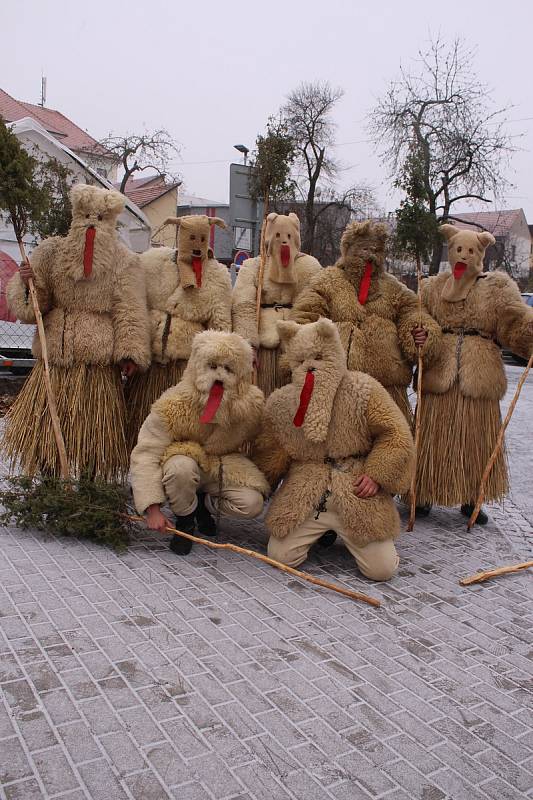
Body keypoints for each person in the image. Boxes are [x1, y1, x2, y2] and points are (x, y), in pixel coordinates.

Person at [3, 184, 150, 480]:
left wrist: (130, 352)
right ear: (74, 215)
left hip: (97, 369)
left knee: (94, 435)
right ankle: (49, 482)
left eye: (100, 218)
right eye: (85, 215)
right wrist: (27, 282)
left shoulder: (124, 261)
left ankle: (90, 484)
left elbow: (130, 310)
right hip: (54, 363)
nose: (91, 224)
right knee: (45, 428)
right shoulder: (51, 253)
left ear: (111, 221)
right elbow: (34, 307)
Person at [252, 318, 414, 579]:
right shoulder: (281, 403)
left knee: (381, 571)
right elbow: (273, 452)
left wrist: (377, 474)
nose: (310, 367)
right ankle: (319, 528)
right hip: (308, 489)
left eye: (318, 357)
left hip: (354, 487)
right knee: (281, 557)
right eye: (301, 360)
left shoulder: (364, 389)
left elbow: (395, 434)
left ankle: (348, 532)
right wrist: (257, 488)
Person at [415, 224, 533, 524]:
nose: (463, 256)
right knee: (433, 437)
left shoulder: (497, 287)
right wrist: (419, 336)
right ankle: (423, 492)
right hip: (439, 372)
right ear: (450, 252)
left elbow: (513, 322)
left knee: (475, 440)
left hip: (479, 374)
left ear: (479, 254)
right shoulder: (432, 288)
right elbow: (418, 320)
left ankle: (472, 497)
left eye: (470, 251)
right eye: (458, 250)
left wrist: (528, 332)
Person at [130, 330, 269, 554]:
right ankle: (186, 519)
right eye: (213, 367)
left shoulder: (250, 407)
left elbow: (263, 441)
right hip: (184, 463)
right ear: (198, 366)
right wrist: (152, 508)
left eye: (229, 369)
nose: (220, 376)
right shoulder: (174, 403)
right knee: (180, 469)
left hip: (219, 466)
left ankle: (202, 505)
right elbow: (146, 452)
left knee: (251, 503)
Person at [290, 219, 440, 424]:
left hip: (387, 386)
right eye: (364, 248)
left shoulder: (393, 288)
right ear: (347, 248)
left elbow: (413, 312)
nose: (370, 255)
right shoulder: (327, 281)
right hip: (339, 385)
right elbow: (305, 317)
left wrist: (419, 332)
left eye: (376, 249)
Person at [125, 214, 232, 449]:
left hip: (184, 370)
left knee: (179, 425)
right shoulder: (153, 264)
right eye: (191, 237)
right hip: (151, 367)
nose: (196, 245)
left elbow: (221, 325)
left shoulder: (216, 276)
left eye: (202, 238)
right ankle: (142, 470)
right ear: (181, 235)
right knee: (141, 424)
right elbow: (135, 303)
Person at [232, 212, 321, 396]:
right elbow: (243, 304)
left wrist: (304, 344)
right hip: (263, 349)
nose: (284, 242)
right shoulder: (254, 267)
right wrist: (248, 344)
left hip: (295, 349)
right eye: (278, 236)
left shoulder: (308, 267)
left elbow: (313, 305)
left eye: (288, 236)